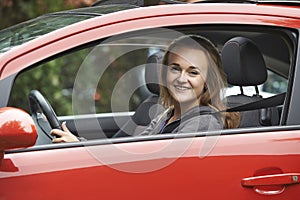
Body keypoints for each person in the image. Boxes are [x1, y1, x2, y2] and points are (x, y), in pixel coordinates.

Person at [51, 34, 240, 142]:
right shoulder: (167, 114)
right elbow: (134, 148)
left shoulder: (203, 122)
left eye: (193, 73)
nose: (181, 79)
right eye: (175, 69)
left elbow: (153, 164)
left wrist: (79, 146)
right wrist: (80, 146)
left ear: (208, 81)